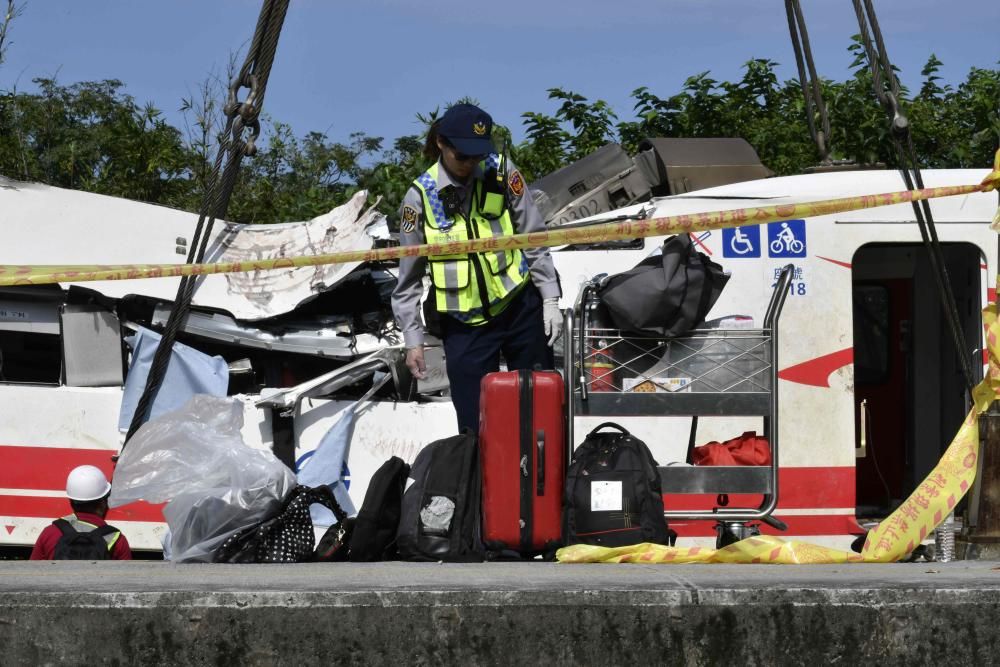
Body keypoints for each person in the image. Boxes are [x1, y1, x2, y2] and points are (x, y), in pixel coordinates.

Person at [391, 103, 562, 433]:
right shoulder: (419, 198)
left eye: (477, 156)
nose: (471, 164)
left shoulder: (501, 172)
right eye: (463, 156)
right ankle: (482, 485)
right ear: (442, 143)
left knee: (541, 412)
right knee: (474, 426)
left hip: (519, 307)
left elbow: (532, 234)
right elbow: (408, 279)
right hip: (464, 324)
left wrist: (550, 298)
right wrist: (413, 340)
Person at [30, 464, 132, 560]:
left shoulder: (50, 533)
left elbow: (32, 572)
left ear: (71, 501)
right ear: (103, 502)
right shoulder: (117, 540)